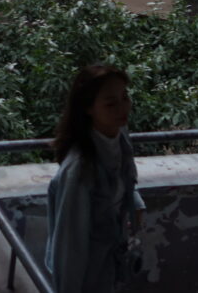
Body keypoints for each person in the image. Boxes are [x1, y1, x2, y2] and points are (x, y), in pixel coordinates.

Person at [46, 64, 145, 293]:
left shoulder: (119, 133)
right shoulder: (80, 170)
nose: (123, 107)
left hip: (110, 259)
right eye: (111, 103)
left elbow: (124, 175)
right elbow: (70, 245)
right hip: (88, 270)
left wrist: (134, 202)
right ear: (88, 108)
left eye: (125, 97)